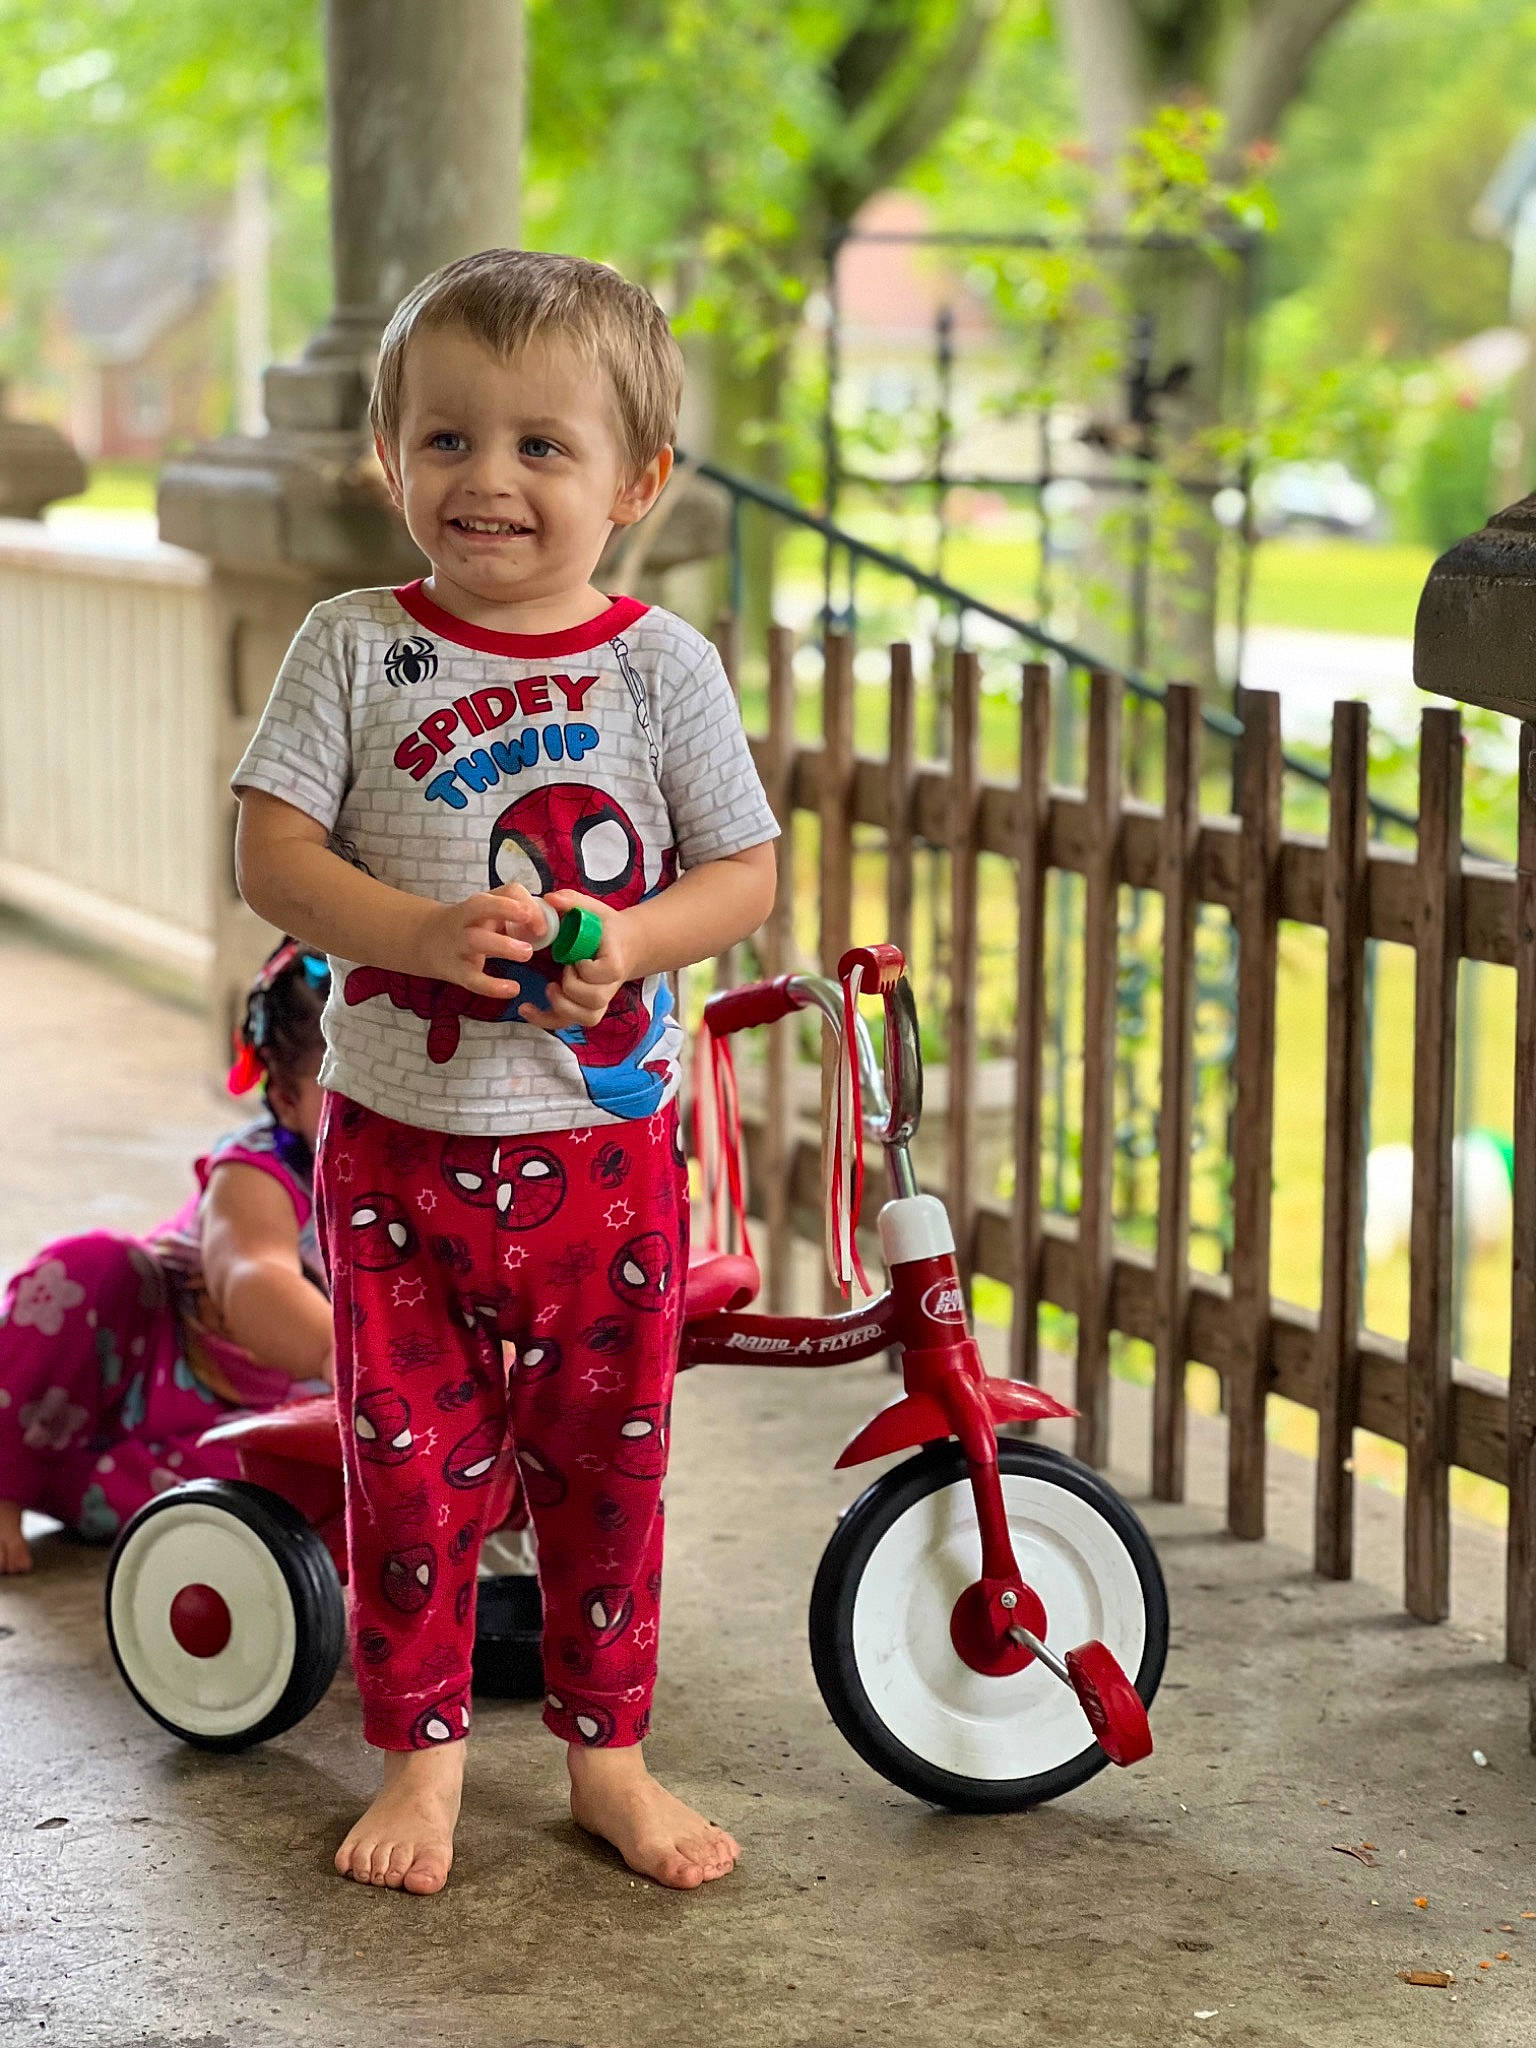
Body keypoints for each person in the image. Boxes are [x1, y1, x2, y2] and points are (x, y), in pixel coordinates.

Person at [231, 248, 779, 1898]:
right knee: (405, 1463)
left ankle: (607, 1753)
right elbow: (270, 856)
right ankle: (424, 1755)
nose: (493, 477)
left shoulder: (658, 667)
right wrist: (403, 924)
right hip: (398, 1153)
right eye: (450, 438)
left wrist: (629, 937)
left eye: (544, 445)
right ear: (387, 460)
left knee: (607, 1462)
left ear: (638, 482)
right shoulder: (349, 646)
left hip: (603, 1159)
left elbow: (742, 875)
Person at [0, 940, 335, 1573]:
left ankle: (94, 1491)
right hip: (131, 1367)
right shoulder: (262, 1173)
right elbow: (252, 1276)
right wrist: (336, 1351)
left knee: (284, 1504)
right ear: (287, 1100)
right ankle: (5, 1478)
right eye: (346, 1099)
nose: (376, 1123)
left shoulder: (421, 1186)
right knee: (92, 1265)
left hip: (231, 1430)